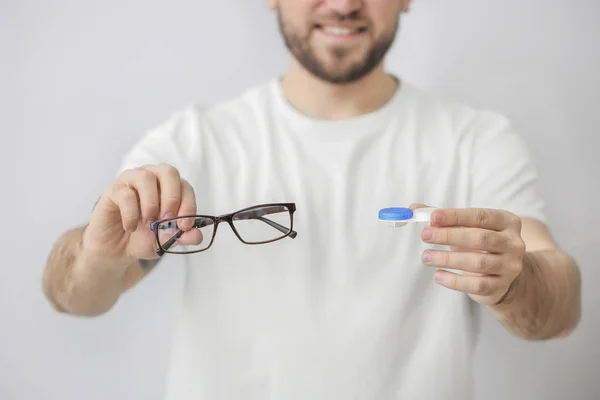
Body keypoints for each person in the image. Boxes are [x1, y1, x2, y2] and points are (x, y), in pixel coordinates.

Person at [42, 1, 582, 399]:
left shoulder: (476, 140)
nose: (343, 5)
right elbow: (73, 297)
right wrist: (96, 252)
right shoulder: (194, 141)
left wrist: (514, 280)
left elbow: (560, 306)